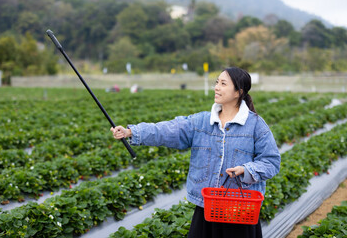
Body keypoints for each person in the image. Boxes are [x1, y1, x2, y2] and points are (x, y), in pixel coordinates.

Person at [110, 67, 281, 238]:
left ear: (238, 92)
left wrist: (246, 170)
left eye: (223, 84)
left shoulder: (255, 125)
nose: (217, 87)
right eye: (217, 83)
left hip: (239, 209)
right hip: (207, 208)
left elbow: (271, 162)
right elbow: (168, 130)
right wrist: (131, 132)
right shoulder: (201, 121)